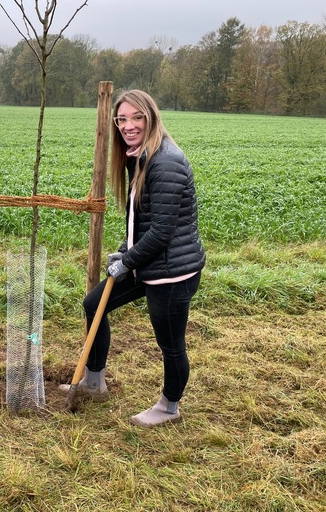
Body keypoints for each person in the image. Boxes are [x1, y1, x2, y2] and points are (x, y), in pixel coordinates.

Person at [62, 89, 205, 428]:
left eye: (136, 117)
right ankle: (94, 381)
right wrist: (127, 249)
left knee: (170, 344)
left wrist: (127, 261)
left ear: (151, 117)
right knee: (94, 304)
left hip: (172, 271)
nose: (128, 125)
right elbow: (142, 219)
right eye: (122, 119)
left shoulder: (165, 160)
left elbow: (163, 231)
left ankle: (169, 407)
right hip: (148, 262)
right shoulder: (138, 156)